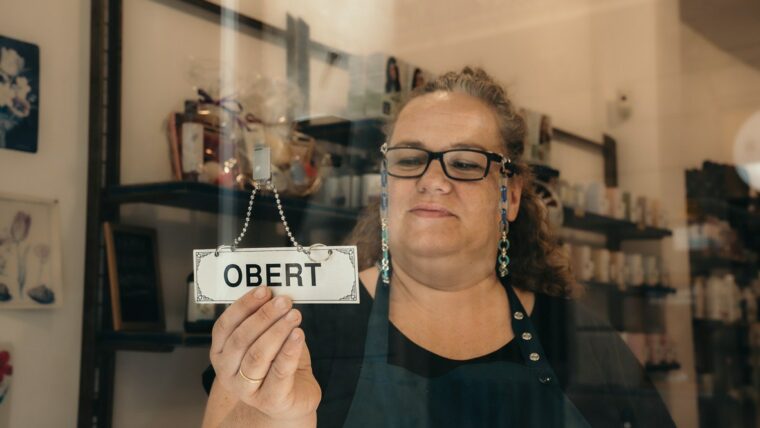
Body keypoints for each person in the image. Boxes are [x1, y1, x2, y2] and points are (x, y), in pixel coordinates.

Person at [201, 67, 676, 427]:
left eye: (465, 163)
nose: (432, 180)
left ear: (510, 196)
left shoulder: (580, 338)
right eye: (409, 159)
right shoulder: (299, 328)